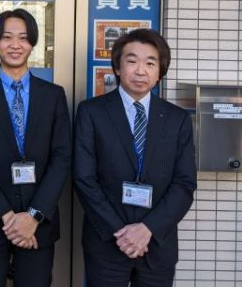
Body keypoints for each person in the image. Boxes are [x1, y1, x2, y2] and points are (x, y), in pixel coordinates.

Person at [74, 28, 197, 287]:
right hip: (107, 242)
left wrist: (147, 229)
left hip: (157, 244)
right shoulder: (92, 112)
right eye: (132, 61)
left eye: (150, 63)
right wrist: (121, 233)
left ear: (160, 71)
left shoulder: (177, 119)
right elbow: (84, 179)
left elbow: (184, 183)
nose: (141, 71)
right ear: (118, 67)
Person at [0, 8, 71, 287]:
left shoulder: (53, 95)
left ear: (32, 43)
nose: (15, 45)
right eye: (7, 37)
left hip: (39, 225)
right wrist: (8, 217)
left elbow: (62, 158)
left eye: (23, 37)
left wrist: (33, 216)